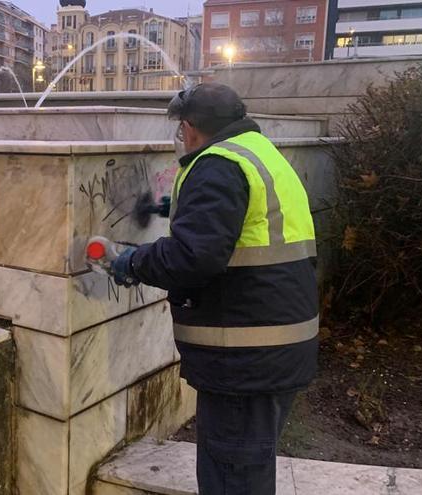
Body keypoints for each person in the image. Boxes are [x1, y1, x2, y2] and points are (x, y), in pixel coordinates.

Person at [108, 83, 319, 495]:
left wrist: (132, 262)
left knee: (232, 476)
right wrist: (178, 208)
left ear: (189, 127)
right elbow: (244, 223)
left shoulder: (216, 165)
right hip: (276, 344)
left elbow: (193, 257)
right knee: (249, 468)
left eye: (180, 129)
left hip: (244, 357)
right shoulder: (257, 153)